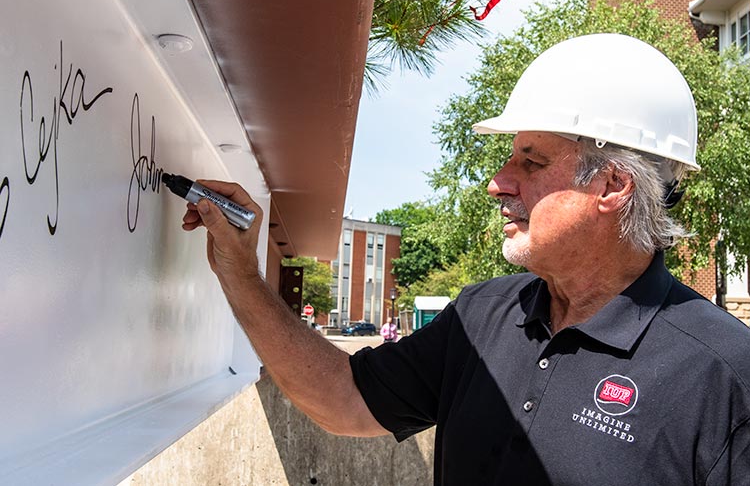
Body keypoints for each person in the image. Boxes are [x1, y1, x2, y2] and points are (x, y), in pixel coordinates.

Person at [180, 34, 750, 485]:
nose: (497, 183)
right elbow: (343, 398)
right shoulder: (483, 315)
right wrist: (240, 272)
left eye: (530, 161)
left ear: (613, 185)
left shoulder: (724, 372)